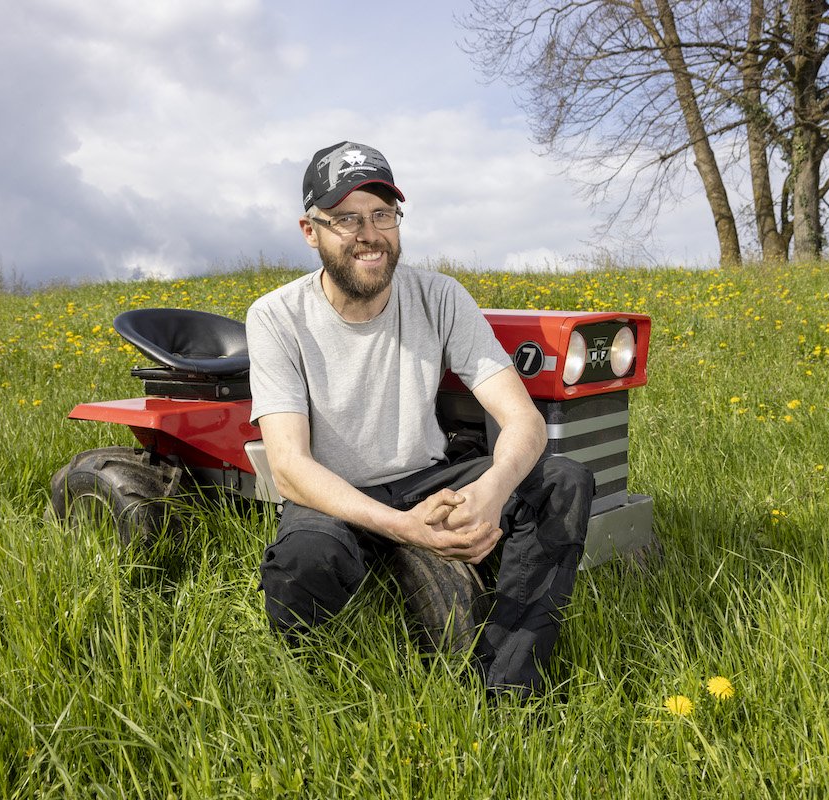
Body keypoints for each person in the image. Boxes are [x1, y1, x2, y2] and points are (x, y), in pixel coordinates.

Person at [245, 141, 593, 698]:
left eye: (382, 214)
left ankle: (509, 686)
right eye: (347, 219)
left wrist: (490, 490)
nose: (369, 234)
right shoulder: (276, 316)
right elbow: (288, 467)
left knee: (563, 481)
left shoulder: (440, 296)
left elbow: (523, 420)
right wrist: (402, 527)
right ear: (311, 231)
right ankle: (316, 692)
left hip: (426, 476)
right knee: (303, 562)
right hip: (335, 493)